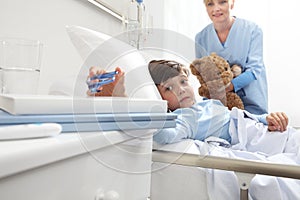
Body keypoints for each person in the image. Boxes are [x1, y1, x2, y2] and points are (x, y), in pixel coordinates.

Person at [87, 60, 288, 145]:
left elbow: (240, 116)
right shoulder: (185, 117)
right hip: (256, 139)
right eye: (168, 88)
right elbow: (165, 135)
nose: (181, 89)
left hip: (264, 128)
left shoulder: (205, 104)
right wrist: (123, 102)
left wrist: (266, 118)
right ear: (161, 100)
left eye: (183, 82)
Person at [195, 0, 268, 115]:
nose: (216, 8)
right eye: (210, 4)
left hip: (251, 105)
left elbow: (255, 69)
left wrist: (228, 87)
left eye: (222, 2)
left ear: (232, 3)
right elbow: (203, 77)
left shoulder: (252, 30)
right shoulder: (201, 38)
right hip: (218, 107)